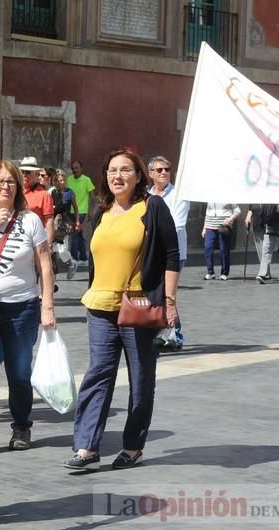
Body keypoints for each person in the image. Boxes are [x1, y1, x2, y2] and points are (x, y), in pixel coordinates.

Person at [63, 149, 179, 472]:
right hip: (100, 306)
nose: (118, 176)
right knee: (97, 375)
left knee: (141, 379)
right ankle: (86, 446)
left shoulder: (152, 207)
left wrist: (169, 301)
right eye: (112, 170)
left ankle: (133, 446)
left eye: (125, 170)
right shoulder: (102, 211)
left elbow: (171, 254)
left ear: (139, 175)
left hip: (139, 306)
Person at [0, 160, 56, 454]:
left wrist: (48, 306)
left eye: (11, 182)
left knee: (19, 373)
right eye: (0, 182)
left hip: (21, 309)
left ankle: (21, 425)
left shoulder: (29, 220)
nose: (5, 187)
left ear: (18, 187)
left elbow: (44, 262)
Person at [147, 156, 189, 350]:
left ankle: (175, 335)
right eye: (159, 170)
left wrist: (153, 230)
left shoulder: (179, 195)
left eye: (167, 169)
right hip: (153, 253)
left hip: (174, 252)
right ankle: (163, 332)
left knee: (168, 293)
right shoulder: (146, 196)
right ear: (150, 174)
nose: (164, 172)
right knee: (158, 292)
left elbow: (177, 225)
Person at [19, 156, 54, 244]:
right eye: (22, 172)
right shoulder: (15, 191)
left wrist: (49, 245)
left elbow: (49, 221)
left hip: (34, 241)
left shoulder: (44, 194)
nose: (24, 175)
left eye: (27, 172)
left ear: (36, 174)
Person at [66, 160, 95, 268]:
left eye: (77, 168)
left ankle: (74, 258)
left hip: (82, 212)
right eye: (73, 168)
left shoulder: (86, 180)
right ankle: (83, 257)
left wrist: (90, 211)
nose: (75, 170)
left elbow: (92, 197)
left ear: (81, 168)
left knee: (74, 234)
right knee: (77, 234)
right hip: (70, 211)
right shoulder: (68, 179)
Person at [202, 202, 240, 280]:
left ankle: (224, 273)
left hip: (224, 227)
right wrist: (204, 228)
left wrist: (230, 219)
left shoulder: (229, 196)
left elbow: (237, 211)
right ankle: (210, 272)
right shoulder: (209, 196)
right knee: (207, 247)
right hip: (210, 226)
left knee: (224, 250)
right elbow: (207, 212)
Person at [51, 168, 78, 279]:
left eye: (62, 180)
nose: (60, 182)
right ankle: (52, 273)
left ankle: (71, 264)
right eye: (57, 180)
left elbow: (75, 208)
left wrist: (77, 222)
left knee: (62, 249)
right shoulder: (52, 192)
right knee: (51, 248)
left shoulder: (69, 192)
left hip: (65, 222)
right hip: (53, 222)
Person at [245, 204, 279, 285]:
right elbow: (251, 208)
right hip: (257, 225)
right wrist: (248, 216)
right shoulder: (255, 196)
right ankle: (267, 274)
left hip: (270, 225)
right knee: (261, 252)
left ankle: (262, 274)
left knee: (266, 250)